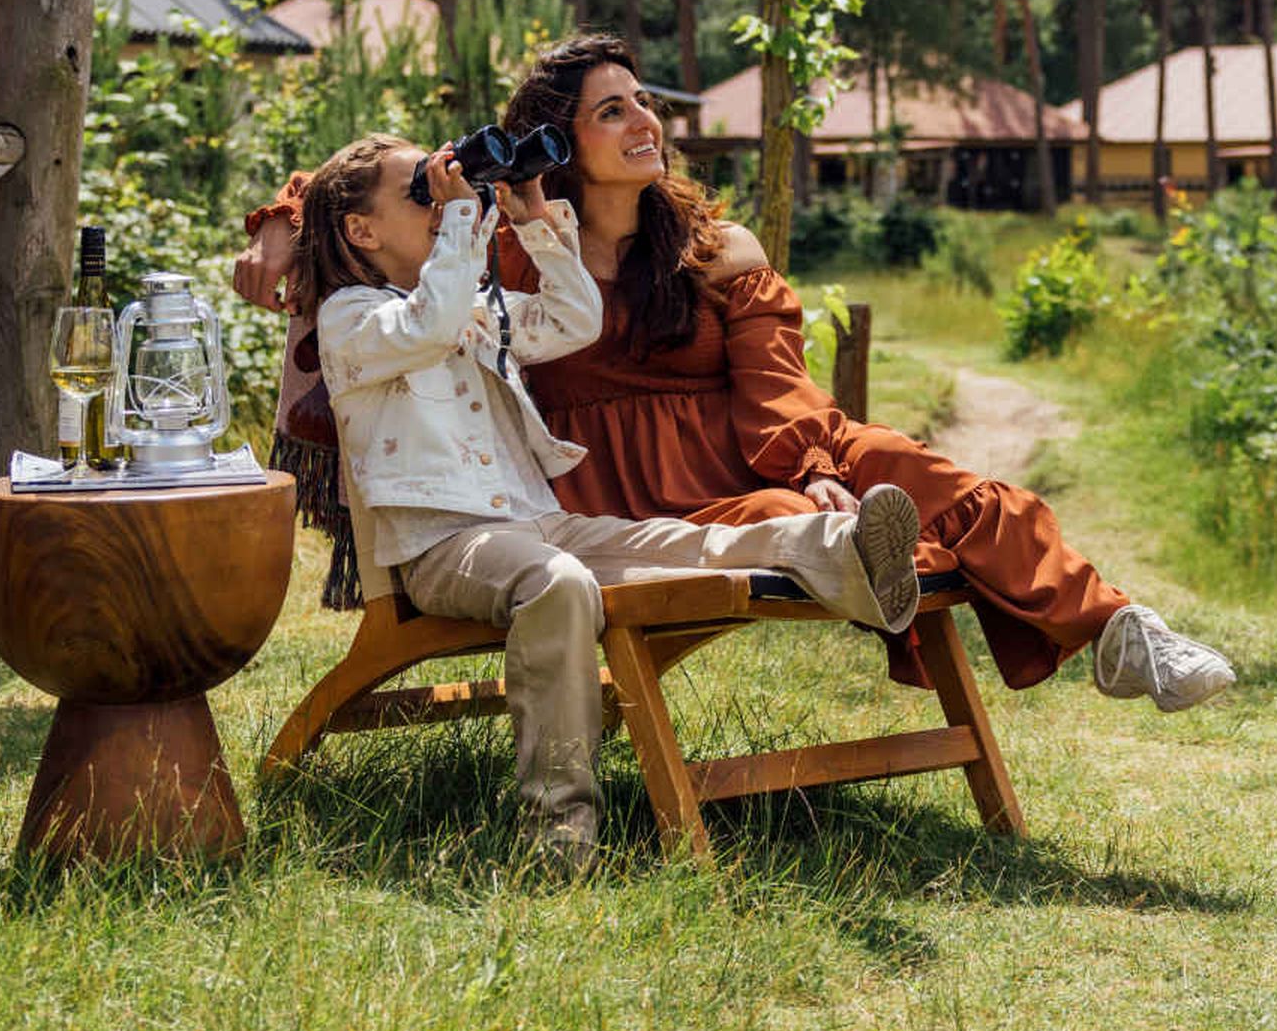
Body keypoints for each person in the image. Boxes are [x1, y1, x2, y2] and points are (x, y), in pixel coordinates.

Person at [497, 32, 1234, 712]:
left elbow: (774, 380)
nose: (645, 123)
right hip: (624, 497)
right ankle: (891, 551)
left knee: (890, 460)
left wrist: (813, 460)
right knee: (795, 520)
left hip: (751, 448)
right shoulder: (513, 258)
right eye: (612, 111)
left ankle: (1120, 630)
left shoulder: (717, 250)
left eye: (645, 103)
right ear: (558, 143)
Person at [295, 131, 926, 868]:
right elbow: (426, 324)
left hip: (534, 523)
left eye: (439, 188)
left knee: (683, 544)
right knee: (555, 584)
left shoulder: (464, 305)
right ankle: (558, 832)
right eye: (419, 191)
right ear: (360, 230)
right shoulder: (352, 318)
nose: (439, 200)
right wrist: (465, 219)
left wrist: (533, 219)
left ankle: (849, 557)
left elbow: (573, 321)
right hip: (442, 547)